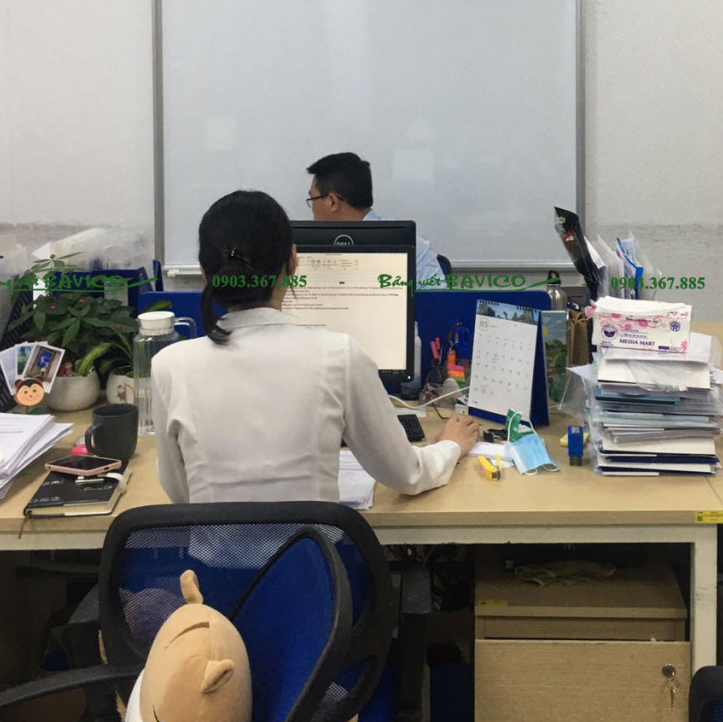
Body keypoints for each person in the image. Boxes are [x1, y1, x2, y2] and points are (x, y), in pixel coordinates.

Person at [152, 189, 478, 504]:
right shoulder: (339, 356)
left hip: (213, 546)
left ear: (205, 273)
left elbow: (181, 494)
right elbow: (407, 475)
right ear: (293, 261)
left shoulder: (170, 367)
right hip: (311, 545)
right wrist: (450, 445)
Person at [306, 152, 444, 286]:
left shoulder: (411, 244)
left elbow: (437, 299)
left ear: (332, 202)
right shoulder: (414, 243)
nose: (312, 209)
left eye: (312, 199)